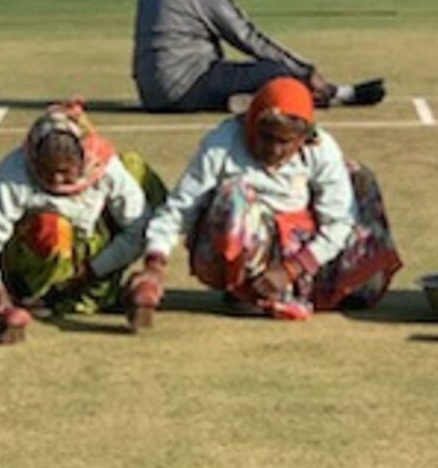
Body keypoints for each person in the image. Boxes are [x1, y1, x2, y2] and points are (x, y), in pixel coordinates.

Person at [133, 77, 403, 322]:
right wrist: (154, 266)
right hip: (247, 238)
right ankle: (244, 290)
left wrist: (292, 269)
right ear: (251, 123)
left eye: (285, 142)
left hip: (303, 248)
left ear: (302, 140)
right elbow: (180, 209)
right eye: (265, 137)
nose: (273, 150)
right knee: (233, 195)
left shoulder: (322, 149)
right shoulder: (222, 144)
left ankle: (304, 289)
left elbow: (340, 222)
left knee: (358, 176)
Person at [0, 101, 166, 344]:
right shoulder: (14, 171)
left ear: (84, 160)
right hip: (33, 262)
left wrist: (94, 270)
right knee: (53, 228)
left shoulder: (106, 167)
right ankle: (31, 299)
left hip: (93, 261)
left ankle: (106, 293)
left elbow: (138, 228)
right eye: (48, 171)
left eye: (66, 171)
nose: (57, 180)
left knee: (137, 169)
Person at [132, 0, 386, 112]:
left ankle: (246, 98)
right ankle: (336, 94)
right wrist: (305, 71)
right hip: (186, 88)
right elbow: (249, 38)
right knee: (277, 71)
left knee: (244, 72)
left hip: (152, 94)